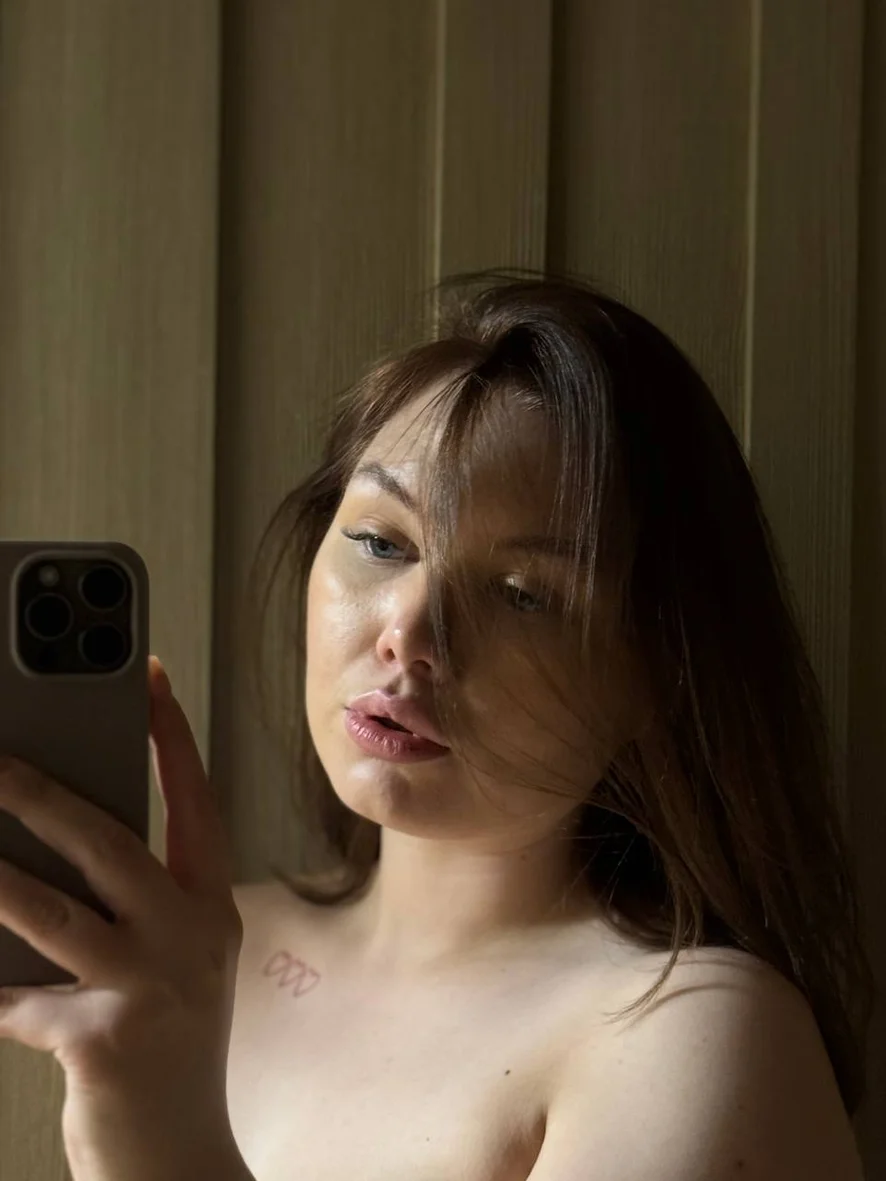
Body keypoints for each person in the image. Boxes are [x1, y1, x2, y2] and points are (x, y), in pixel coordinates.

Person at [226, 271, 874, 1181]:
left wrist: (140, 1120)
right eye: (382, 542)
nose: (407, 633)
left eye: (523, 594)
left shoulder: (689, 1035)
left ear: (658, 673)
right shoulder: (209, 946)